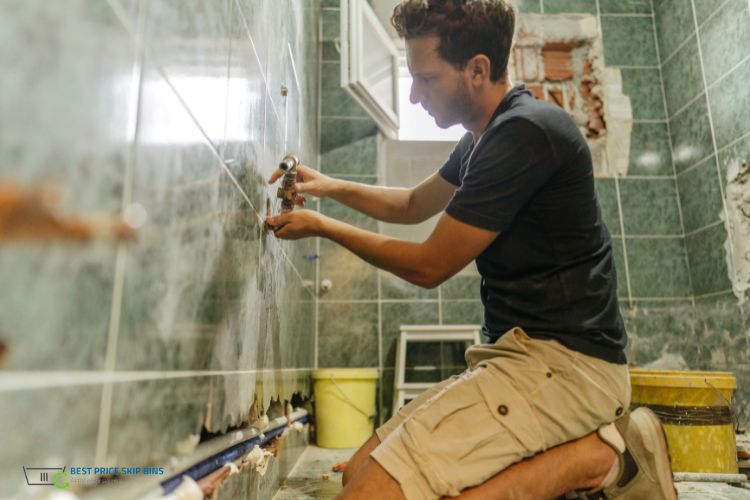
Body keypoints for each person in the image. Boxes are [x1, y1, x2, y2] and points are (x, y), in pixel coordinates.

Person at [266, 1, 676, 498]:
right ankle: (590, 455)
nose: (415, 95)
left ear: (477, 70)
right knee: (360, 472)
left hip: (572, 369)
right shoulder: (482, 138)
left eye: (426, 78)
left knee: (371, 494)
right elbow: (414, 204)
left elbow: (428, 266)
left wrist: (322, 226)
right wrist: (328, 185)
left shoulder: (525, 133)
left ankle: (601, 460)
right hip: (518, 357)